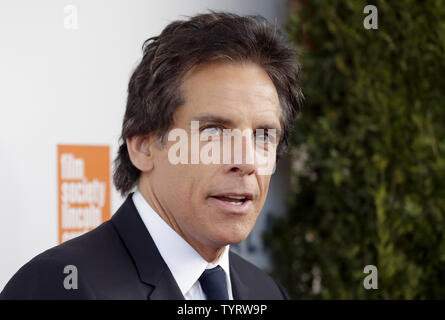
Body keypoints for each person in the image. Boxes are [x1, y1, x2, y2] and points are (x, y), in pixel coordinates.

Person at [0, 11, 303, 300]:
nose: (247, 162)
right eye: (214, 132)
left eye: (263, 136)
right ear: (143, 146)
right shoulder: (62, 287)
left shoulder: (266, 291)